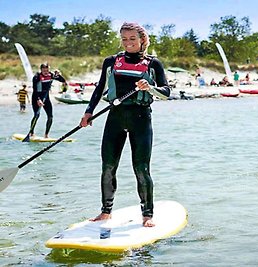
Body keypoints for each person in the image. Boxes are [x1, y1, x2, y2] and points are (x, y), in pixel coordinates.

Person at [80, 22, 171, 227]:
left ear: (142, 40)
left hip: (140, 119)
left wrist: (150, 88)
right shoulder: (112, 61)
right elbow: (99, 88)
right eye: (124, 39)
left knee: (141, 169)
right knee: (108, 167)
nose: (128, 43)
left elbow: (166, 92)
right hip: (115, 117)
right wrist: (88, 112)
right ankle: (105, 212)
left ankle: (147, 215)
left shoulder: (152, 64)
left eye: (132, 39)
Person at [29, 63, 66, 138]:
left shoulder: (51, 75)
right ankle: (31, 133)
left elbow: (63, 80)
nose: (46, 72)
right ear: (41, 70)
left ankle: (46, 135)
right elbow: (35, 90)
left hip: (46, 98)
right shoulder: (37, 77)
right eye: (44, 70)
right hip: (36, 98)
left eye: (47, 70)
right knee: (37, 115)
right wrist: (38, 100)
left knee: (50, 117)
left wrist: (58, 75)